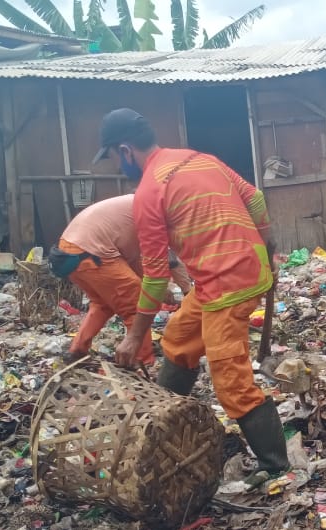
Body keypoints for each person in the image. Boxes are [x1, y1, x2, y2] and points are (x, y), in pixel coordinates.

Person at [93, 108, 288, 485]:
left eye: (115, 157)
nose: (118, 165)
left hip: (228, 288)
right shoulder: (200, 159)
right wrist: (264, 249)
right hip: (227, 278)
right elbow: (256, 200)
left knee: (230, 381)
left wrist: (134, 337)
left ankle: (276, 464)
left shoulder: (149, 192)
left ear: (125, 150)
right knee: (179, 337)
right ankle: (162, 419)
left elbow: (154, 278)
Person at [49, 194, 191, 363]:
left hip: (72, 250)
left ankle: (78, 350)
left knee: (102, 304)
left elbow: (137, 264)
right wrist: (188, 292)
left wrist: (159, 288)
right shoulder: (158, 212)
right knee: (138, 305)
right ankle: (142, 361)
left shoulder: (141, 205)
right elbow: (172, 260)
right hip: (94, 252)